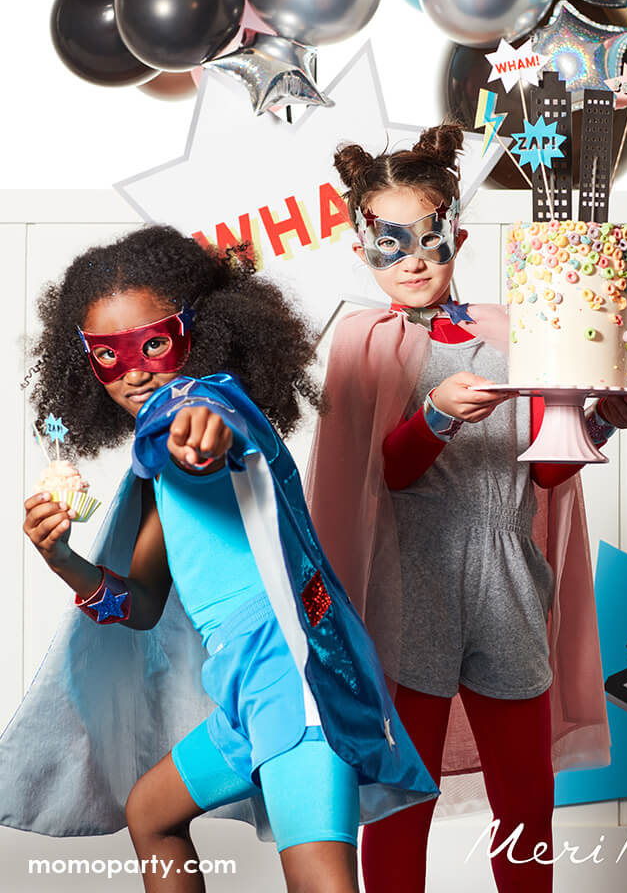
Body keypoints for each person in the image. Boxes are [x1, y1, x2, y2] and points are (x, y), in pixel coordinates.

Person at [5, 224, 437, 893]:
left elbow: (213, 426)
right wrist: (63, 557)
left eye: (155, 343)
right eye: (109, 356)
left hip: (297, 684)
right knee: (151, 814)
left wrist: (199, 436)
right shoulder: (154, 472)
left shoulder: (207, 404)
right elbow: (140, 605)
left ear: (200, 335)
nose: (137, 370)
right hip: (245, 693)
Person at [305, 125, 627, 893]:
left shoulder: (511, 331)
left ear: (456, 234)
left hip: (509, 584)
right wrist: (433, 415)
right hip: (412, 587)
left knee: (527, 802)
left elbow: (545, 471)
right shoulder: (362, 343)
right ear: (358, 245)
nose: (414, 260)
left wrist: (597, 420)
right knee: (403, 801)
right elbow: (381, 479)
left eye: (429, 239)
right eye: (389, 244)